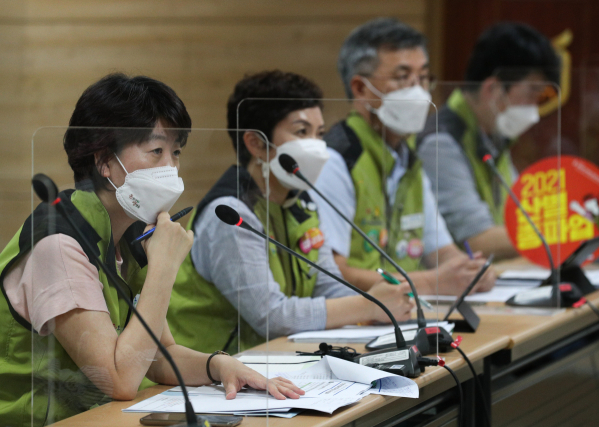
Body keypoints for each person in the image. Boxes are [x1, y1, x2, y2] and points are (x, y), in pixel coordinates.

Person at [0, 73, 302, 427]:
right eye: (156, 152)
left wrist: (219, 365)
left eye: (176, 153)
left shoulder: (129, 235)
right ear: (105, 161)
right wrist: (164, 267)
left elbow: (158, 354)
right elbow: (119, 379)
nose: (170, 168)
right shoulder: (60, 244)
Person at [167, 70, 414, 354]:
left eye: (320, 133)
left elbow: (328, 286)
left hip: (277, 364)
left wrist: (384, 305)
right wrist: (367, 305)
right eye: (301, 132)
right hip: (209, 374)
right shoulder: (231, 214)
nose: (318, 146)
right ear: (256, 144)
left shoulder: (302, 201)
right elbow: (270, 316)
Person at [314, 18, 497, 296]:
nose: (419, 91)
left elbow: (442, 251)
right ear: (361, 89)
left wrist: (470, 270)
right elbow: (332, 273)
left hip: (406, 315)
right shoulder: (335, 160)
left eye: (423, 77)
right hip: (355, 321)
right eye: (402, 78)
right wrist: (430, 282)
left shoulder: (407, 157)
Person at [417, 23, 560, 260]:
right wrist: (566, 231)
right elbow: (476, 239)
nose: (535, 107)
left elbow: (521, 217)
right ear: (492, 88)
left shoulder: (494, 136)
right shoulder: (440, 142)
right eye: (532, 93)